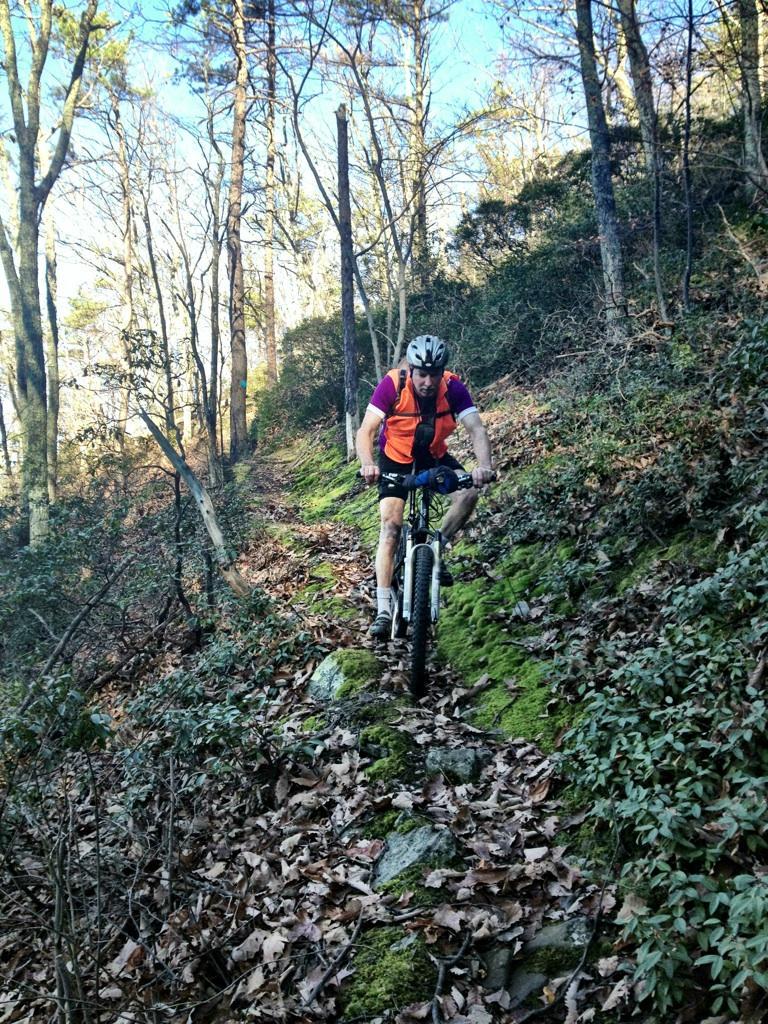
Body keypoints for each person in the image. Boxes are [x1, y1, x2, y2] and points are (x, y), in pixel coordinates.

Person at [356, 335, 495, 637]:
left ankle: (437, 547)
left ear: (442, 371)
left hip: (433, 456)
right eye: (422, 374)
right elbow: (366, 430)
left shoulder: (453, 388)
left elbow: (476, 429)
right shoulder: (393, 384)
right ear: (411, 368)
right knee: (391, 527)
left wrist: (484, 466)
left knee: (469, 492)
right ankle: (382, 610)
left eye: (434, 374)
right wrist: (368, 463)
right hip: (395, 459)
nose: (428, 382)